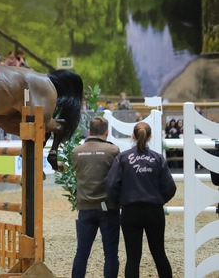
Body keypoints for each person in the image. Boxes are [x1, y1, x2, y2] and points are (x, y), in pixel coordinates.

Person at [106, 121, 176, 278]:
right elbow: (170, 187)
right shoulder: (158, 159)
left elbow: (111, 185)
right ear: (149, 137)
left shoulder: (123, 158)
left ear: (133, 136)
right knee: (159, 254)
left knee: (132, 258)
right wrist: (159, 199)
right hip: (154, 211)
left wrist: (121, 201)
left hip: (130, 211)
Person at [71, 116, 121, 278]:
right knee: (111, 254)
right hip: (108, 207)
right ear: (106, 133)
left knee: (82, 253)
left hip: (85, 207)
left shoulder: (77, 151)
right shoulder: (113, 151)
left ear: (89, 131)